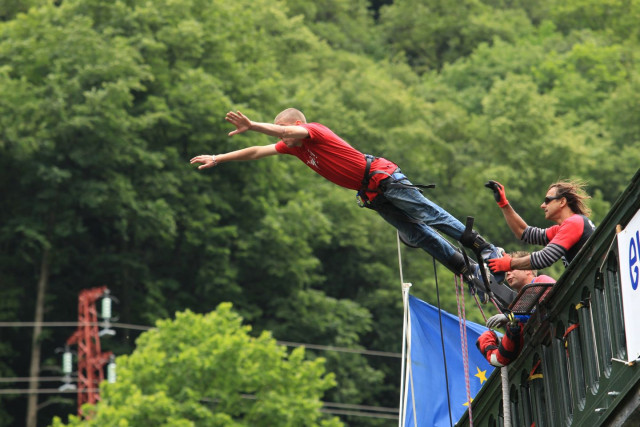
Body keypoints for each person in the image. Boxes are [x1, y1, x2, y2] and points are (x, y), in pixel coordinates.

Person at [190, 108, 505, 294]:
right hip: (372, 194)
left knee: (429, 215)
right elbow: (257, 151)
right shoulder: (292, 147)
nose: (281, 140)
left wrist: (254, 124)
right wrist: (219, 158)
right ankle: (467, 270)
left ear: (296, 126)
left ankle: (486, 249)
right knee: (416, 234)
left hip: (384, 178)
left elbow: (283, 130)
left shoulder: (313, 131)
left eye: (285, 132)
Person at [484, 179, 596, 276]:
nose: (542, 205)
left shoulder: (574, 222)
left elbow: (544, 258)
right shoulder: (564, 227)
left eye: (547, 200)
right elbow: (524, 232)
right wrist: (503, 204)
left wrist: (509, 264)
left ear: (562, 201)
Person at [478, 253, 556, 367]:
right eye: (506, 272)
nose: (508, 273)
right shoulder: (515, 311)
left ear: (527, 270)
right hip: (547, 360)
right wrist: (487, 341)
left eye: (511, 269)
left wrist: (511, 317)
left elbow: (542, 309)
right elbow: (503, 356)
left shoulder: (542, 280)